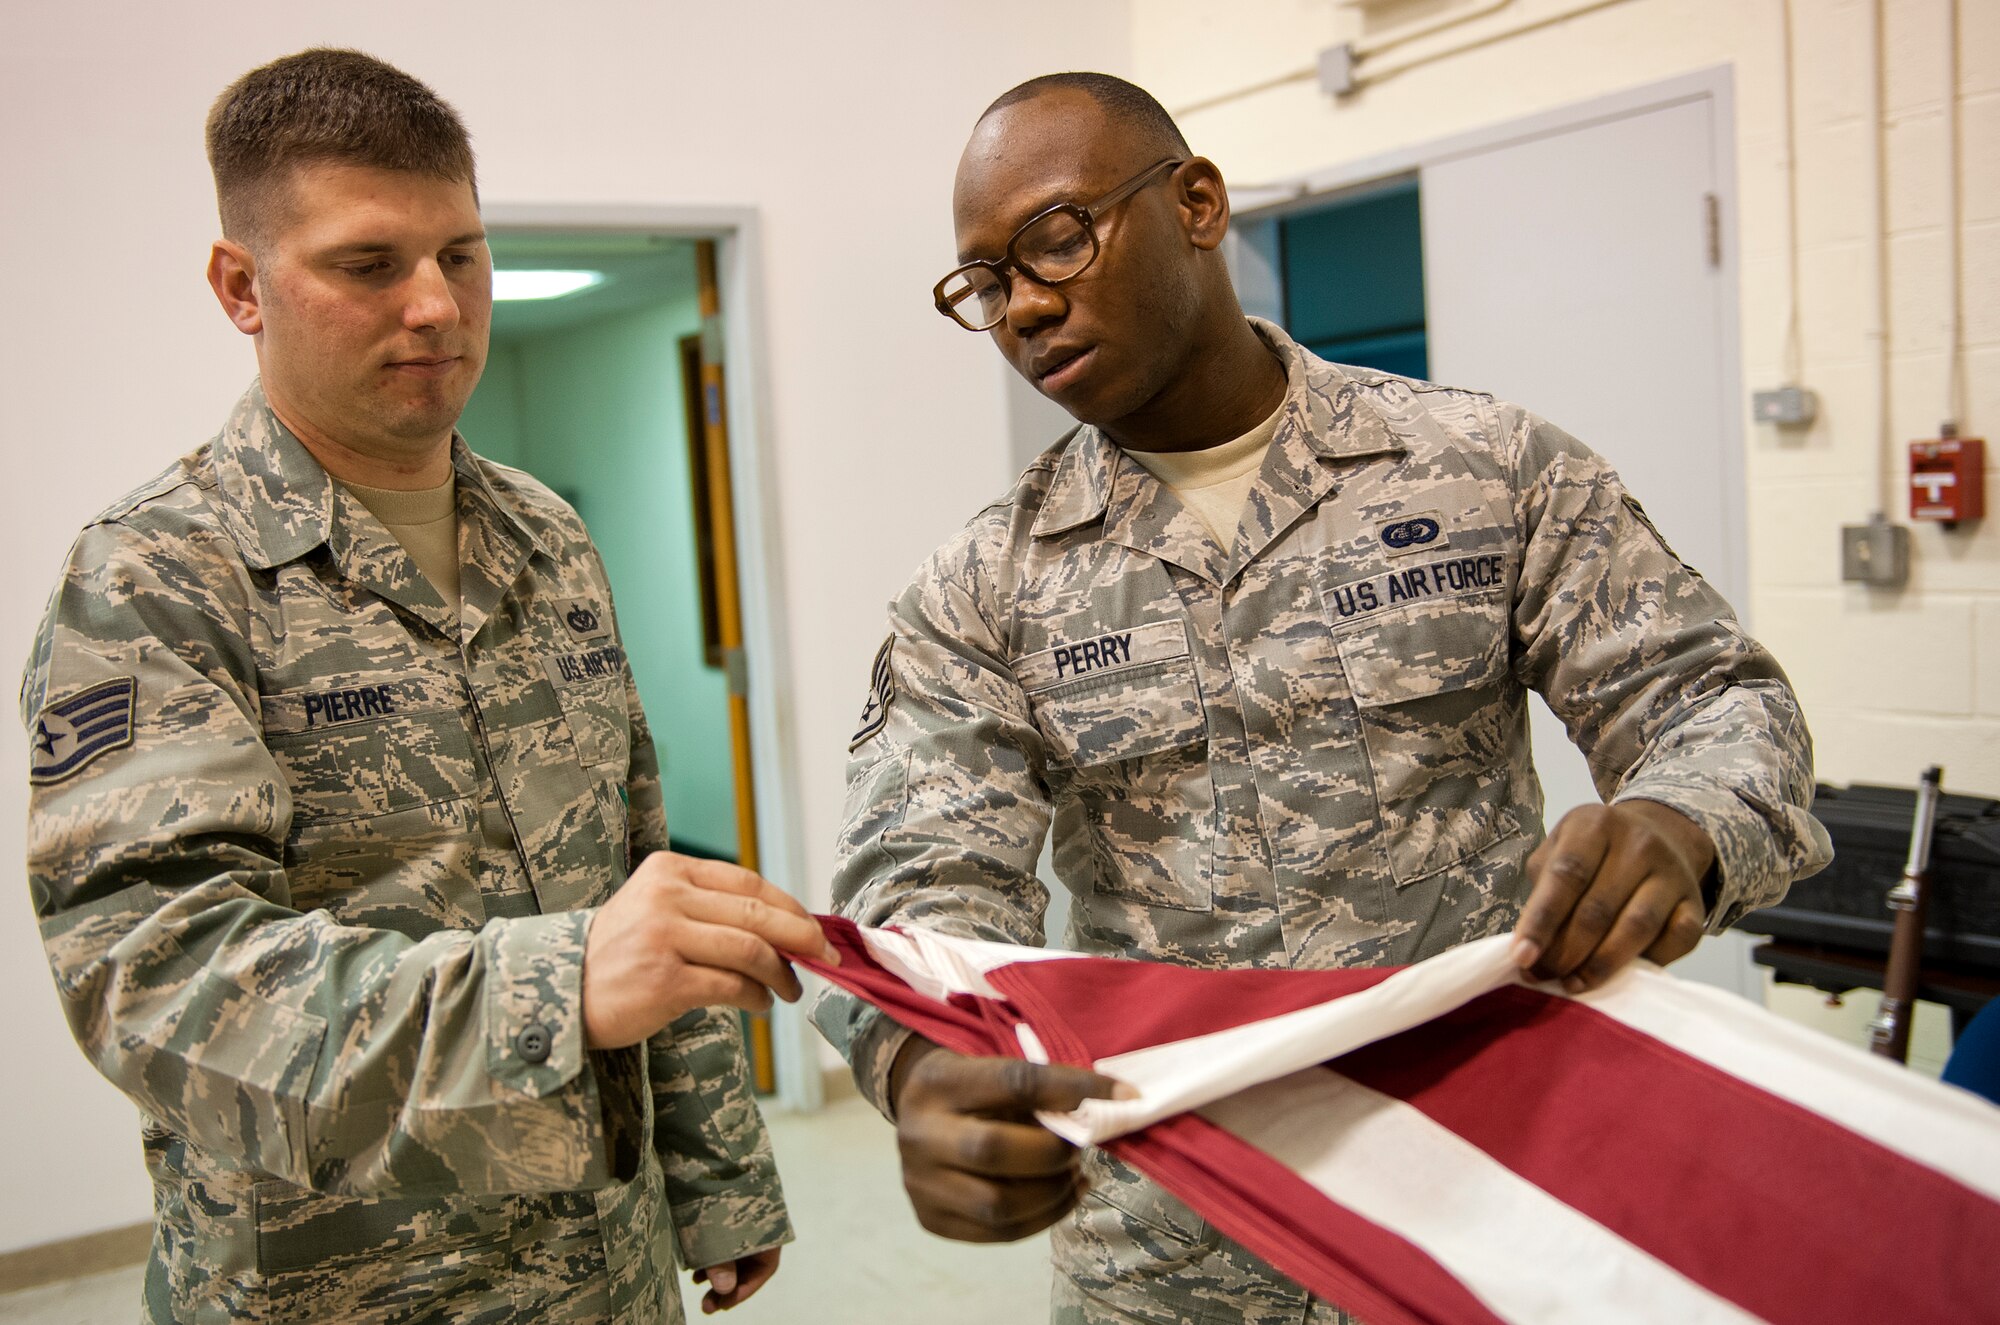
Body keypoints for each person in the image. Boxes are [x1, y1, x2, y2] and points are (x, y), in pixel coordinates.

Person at [812, 72, 1832, 1324]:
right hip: (1175, 1243)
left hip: (1481, 1193)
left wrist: (1677, 821)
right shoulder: (986, 584)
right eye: (982, 282)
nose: (1023, 304)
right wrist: (924, 1062)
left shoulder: (1483, 471)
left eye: (1056, 239)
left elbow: (1714, 702)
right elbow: (916, 883)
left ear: (1195, 205)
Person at [22, 49, 833, 1324]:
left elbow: (634, 872)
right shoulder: (156, 577)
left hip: (602, 1267)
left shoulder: (545, 535)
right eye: (368, 264)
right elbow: (160, 983)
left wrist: (716, 1170)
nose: (438, 306)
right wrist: (555, 979)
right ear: (242, 286)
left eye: (461, 255)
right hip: (351, 1285)